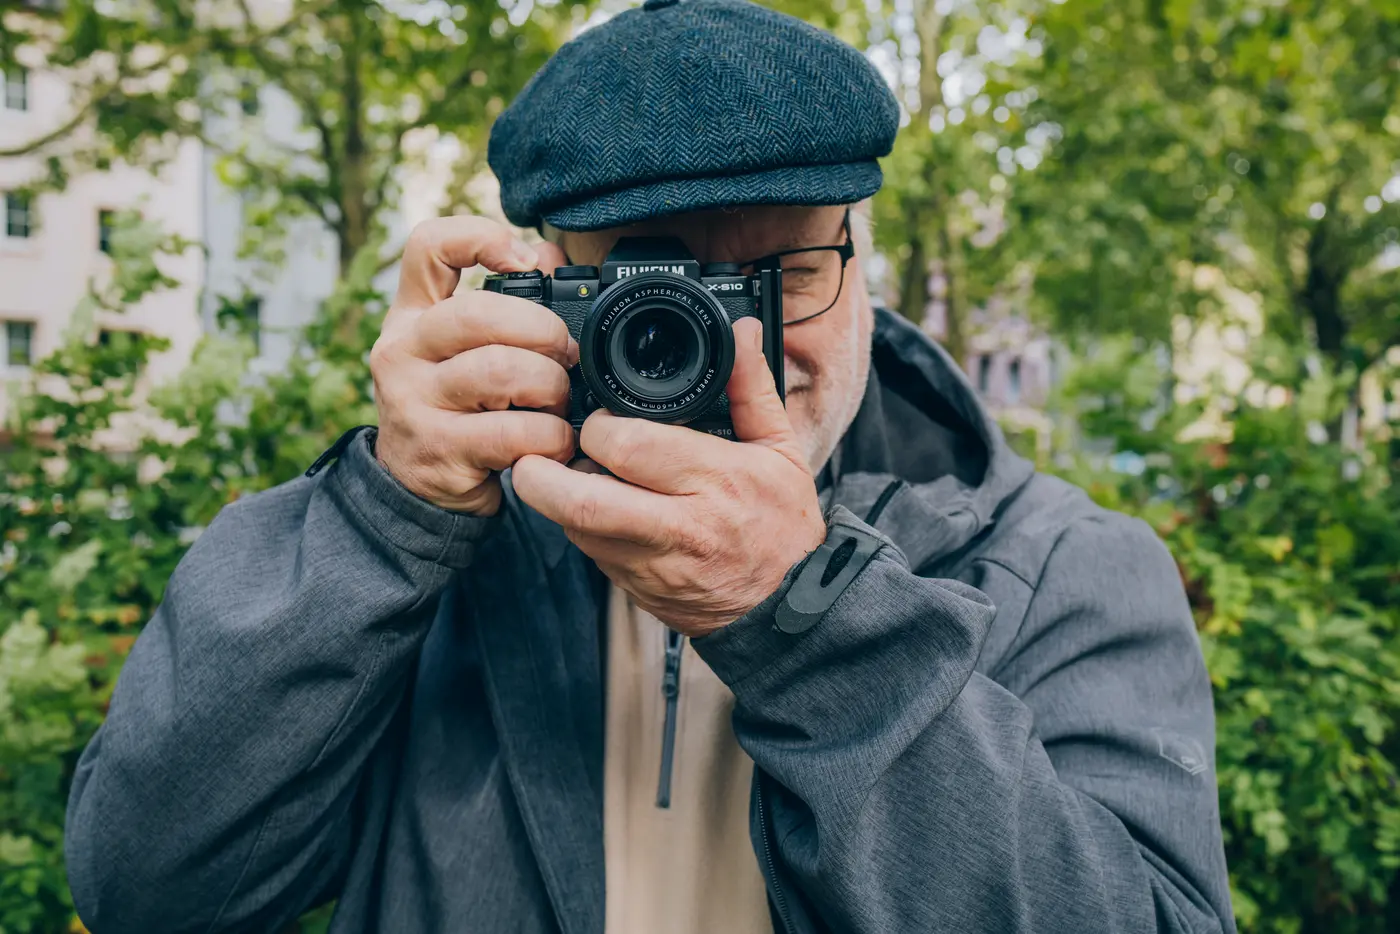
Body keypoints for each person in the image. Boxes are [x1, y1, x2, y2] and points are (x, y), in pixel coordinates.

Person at [64, 1, 1235, 932]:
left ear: (863, 266)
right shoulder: (434, 543)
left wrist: (803, 617)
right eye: (651, 290)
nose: (733, 346)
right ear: (536, 282)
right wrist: (384, 521)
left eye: (783, 278)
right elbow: (149, 890)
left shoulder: (1061, 566)